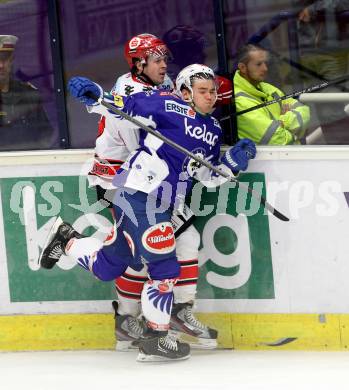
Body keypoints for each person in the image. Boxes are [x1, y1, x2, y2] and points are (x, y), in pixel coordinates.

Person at [39, 64, 256, 362]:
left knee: (108, 266)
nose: (210, 97)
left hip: (162, 204)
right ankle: (156, 337)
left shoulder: (213, 129)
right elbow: (126, 106)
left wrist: (232, 161)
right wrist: (96, 97)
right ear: (185, 92)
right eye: (203, 91)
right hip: (140, 193)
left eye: (213, 92)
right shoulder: (168, 104)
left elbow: (207, 174)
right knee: (165, 265)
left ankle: (67, 240)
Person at [88, 34, 218, 353]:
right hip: (122, 179)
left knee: (173, 243)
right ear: (139, 63)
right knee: (143, 249)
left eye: (164, 58)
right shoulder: (127, 90)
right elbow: (145, 146)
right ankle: (134, 318)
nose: (164, 64)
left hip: (152, 179)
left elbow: (178, 122)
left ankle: (171, 313)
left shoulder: (164, 82)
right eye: (157, 59)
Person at [233, 44, 311, 145]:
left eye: (265, 63)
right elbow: (278, 141)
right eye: (259, 64)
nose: (265, 68)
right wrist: (295, 130)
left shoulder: (268, 88)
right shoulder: (240, 101)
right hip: (270, 159)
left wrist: (282, 122)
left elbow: (305, 113)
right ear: (243, 68)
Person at [296, 0, 349, 144]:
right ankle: (335, 149)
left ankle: (341, 152)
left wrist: (313, 9)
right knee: (320, 109)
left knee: (332, 107)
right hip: (307, 55)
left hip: (332, 55)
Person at [0, 35, 53, 150]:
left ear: (11, 61)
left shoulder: (29, 94)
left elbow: (46, 134)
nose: (1, 65)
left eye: (4, 59)